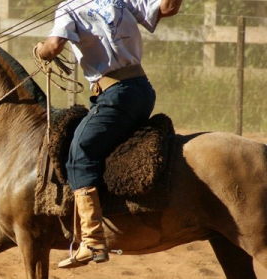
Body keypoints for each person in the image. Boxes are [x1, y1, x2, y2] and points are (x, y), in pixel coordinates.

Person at [35, 0, 182, 269]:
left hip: (115, 95)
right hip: (141, 90)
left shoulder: (68, 7)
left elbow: (54, 47)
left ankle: (91, 239)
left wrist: (40, 50)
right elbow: (168, 8)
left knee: (80, 153)